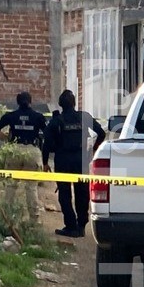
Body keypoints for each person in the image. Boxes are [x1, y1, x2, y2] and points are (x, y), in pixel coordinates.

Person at [42, 90, 106, 238]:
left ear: (60, 104)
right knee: (82, 193)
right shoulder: (84, 117)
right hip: (81, 159)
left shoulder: (57, 121)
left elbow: (46, 144)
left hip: (63, 160)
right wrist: (94, 149)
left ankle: (70, 226)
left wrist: (45, 163)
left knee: (64, 194)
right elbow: (101, 133)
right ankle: (81, 226)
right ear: (74, 103)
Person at [0, 91, 47, 221]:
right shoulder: (38, 116)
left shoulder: (11, 116)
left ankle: (6, 217)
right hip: (32, 151)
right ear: (31, 101)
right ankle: (34, 219)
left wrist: (4, 138)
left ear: (17, 102)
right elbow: (47, 133)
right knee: (31, 187)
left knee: (11, 185)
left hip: (15, 150)